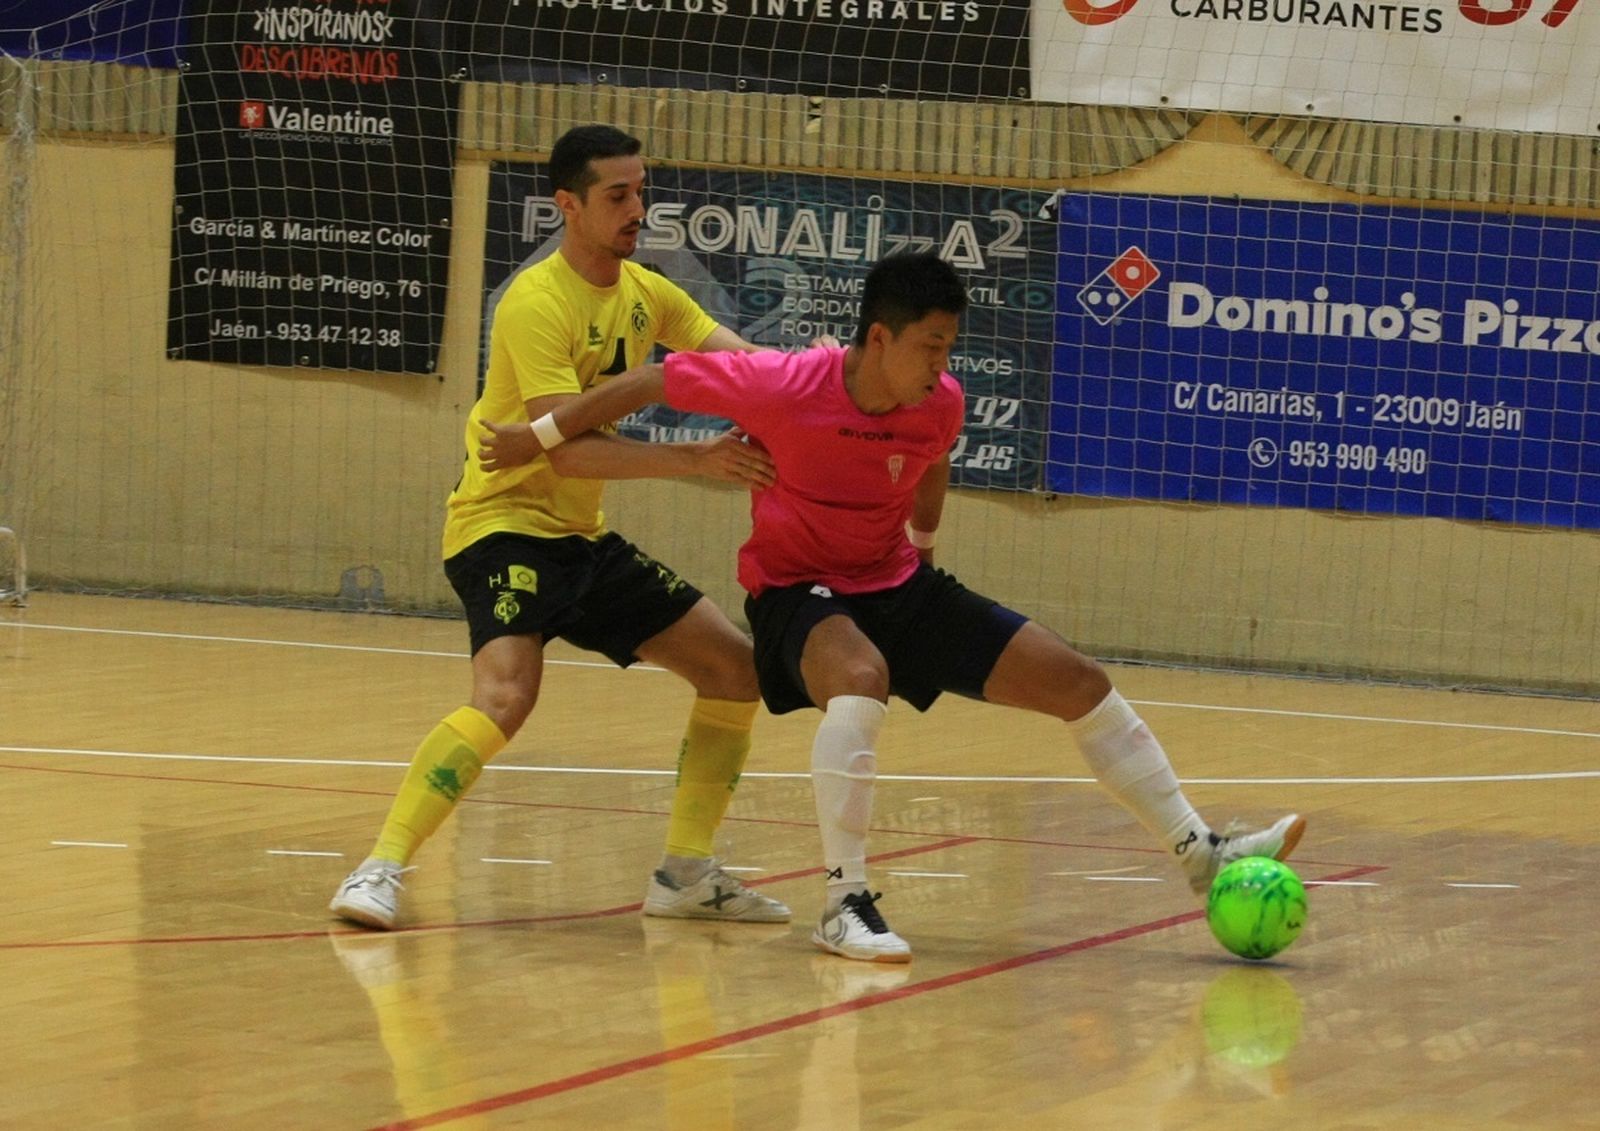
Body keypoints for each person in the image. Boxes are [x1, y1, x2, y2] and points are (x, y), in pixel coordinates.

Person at [478, 252, 1305, 963]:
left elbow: (934, 456)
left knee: (1078, 680)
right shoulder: (785, 383)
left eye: (950, 346)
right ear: (879, 337)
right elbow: (651, 377)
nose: (941, 363)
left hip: (895, 582)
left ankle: (1200, 852)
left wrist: (927, 545)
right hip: (794, 591)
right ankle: (845, 903)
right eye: (929, 345)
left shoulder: (938, 400)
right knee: (860, 677)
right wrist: (540, 436)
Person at [329, 124, 791, 930]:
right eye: (618, 195)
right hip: (503, 521)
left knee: (735, 671)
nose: (636, 208)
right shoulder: (535, 301)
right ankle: (380, 866)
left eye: (641, 191)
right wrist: (693, 459)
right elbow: (562, 453)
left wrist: (821, 381)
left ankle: (685, 873)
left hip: (581, 540)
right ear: (568, 205)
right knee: (508, 694)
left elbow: (747, 369)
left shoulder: (651, 295)